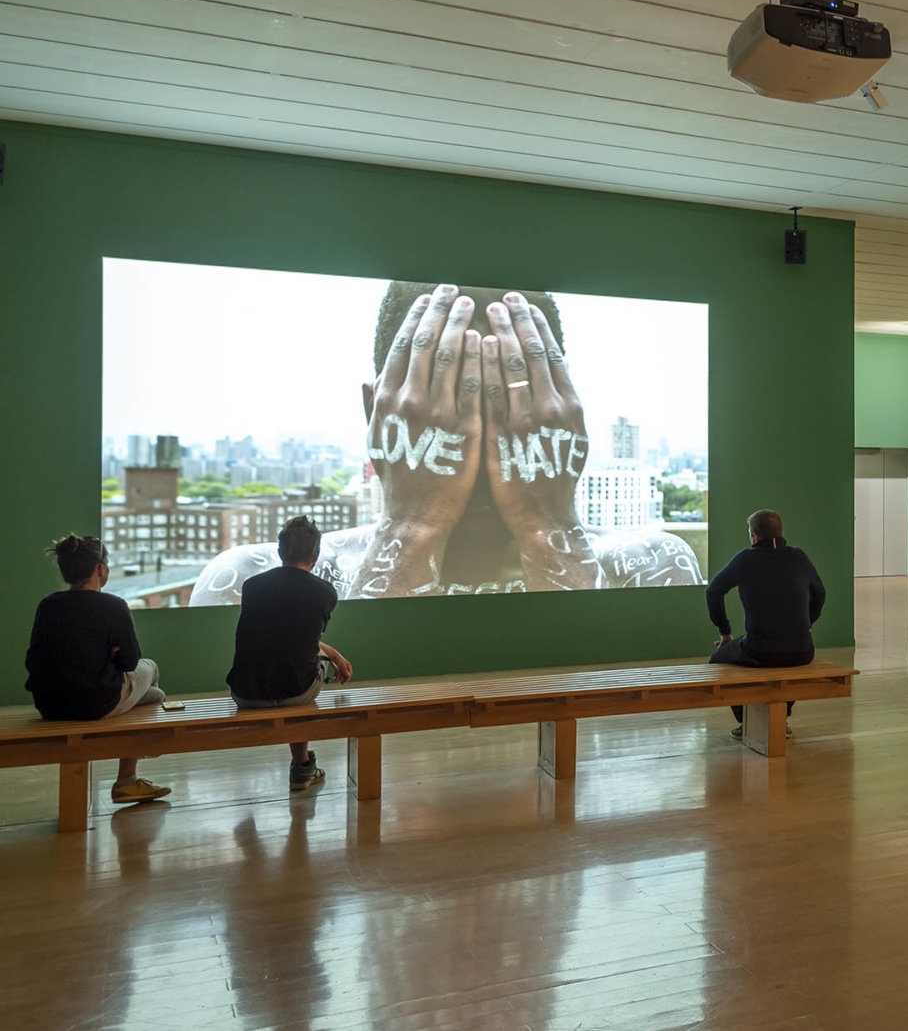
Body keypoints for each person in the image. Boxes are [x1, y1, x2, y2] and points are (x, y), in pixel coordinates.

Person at [190, 282, 702, 605]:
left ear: (561, 414)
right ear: (376, 414)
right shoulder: (245, 581)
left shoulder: (654, 565)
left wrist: (548, 528)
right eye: (447, 412)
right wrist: (412, 528)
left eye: (508, 415)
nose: (478, 451)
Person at [23, 535, 171, 805]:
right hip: (95, 703)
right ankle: (127, 780)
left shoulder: (47, 605)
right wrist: (109, 656)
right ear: (100, 569)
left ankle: (129, 777)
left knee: (156, 696)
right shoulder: (113, 606)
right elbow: (130, 662)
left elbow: (34, 659)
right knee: (151, 667)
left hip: (49, 705)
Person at [227, 517, 353, 792]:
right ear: (315, 555)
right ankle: (302, 766)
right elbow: (302, 642)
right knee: (302, 668)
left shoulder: (252, 586)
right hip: (296, 692)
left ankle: (303, 764)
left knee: (296, 662)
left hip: (245, 692)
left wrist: (331, 653)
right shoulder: (325, 592)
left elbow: (288, 639)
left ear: (280, 551)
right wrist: (333, 655)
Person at [707, 510, 826, 738]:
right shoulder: (799, 556)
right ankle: (781, 718)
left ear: (754, 535)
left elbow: (713, 591)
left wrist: (725, 633)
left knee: (718, 661)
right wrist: (806, 624)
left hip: (759, 651)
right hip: (802, 651)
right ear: (781, 532)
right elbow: (820, 594)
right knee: (787, 665)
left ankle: (747, 721)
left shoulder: (745, 559)